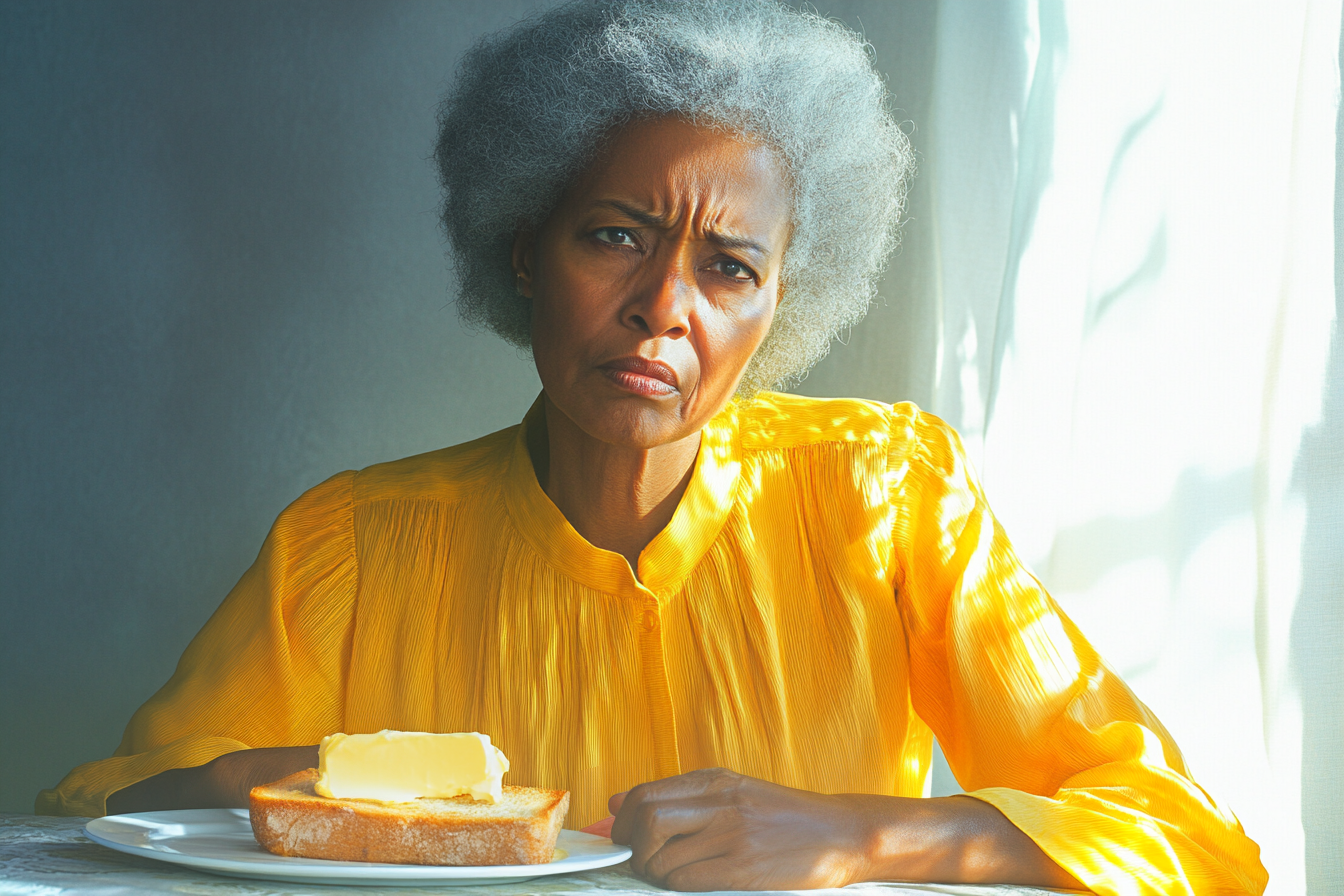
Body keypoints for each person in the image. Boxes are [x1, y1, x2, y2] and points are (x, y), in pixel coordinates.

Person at [39, 1, 1267, 893]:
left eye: (729, 267)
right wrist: (321, 782)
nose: (664, 305)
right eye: (616, 236)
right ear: (526, 249)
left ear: (779, 305)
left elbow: (1186, 835)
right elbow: (103, 801)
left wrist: (859, 832)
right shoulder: (350, 541)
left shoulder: (888, 496)